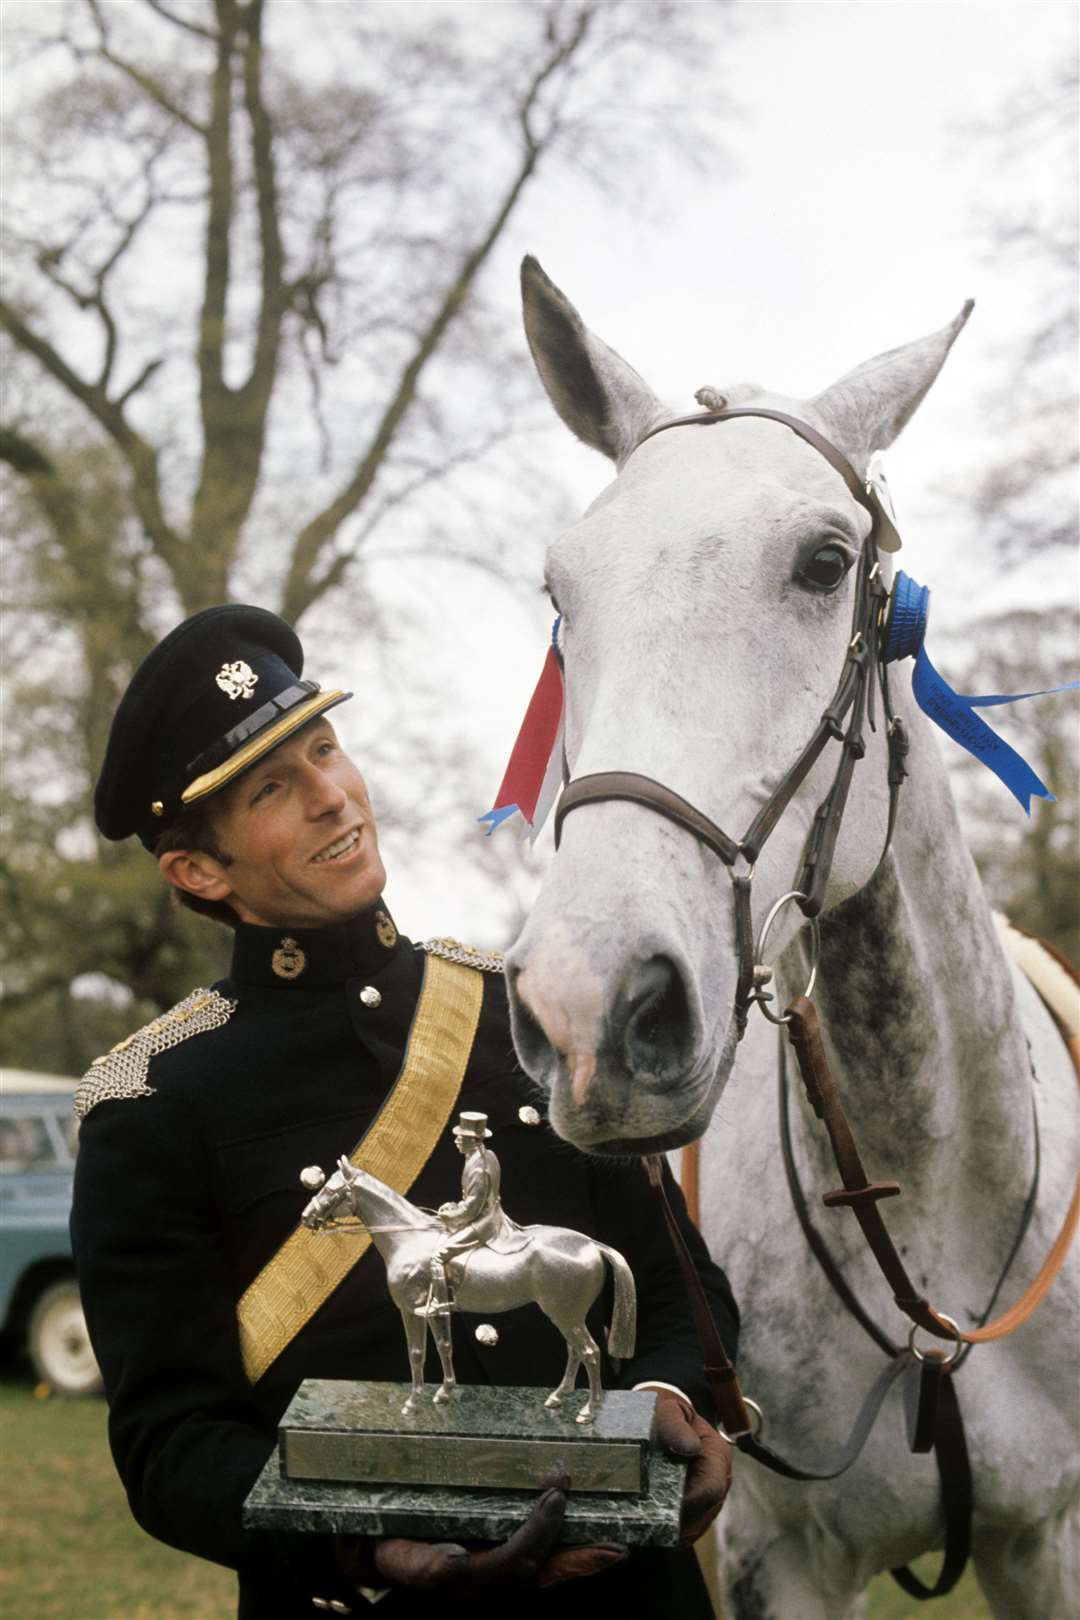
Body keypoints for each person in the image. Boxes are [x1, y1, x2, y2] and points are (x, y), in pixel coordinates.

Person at [71, 604, 740, 1619]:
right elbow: (173, 1445)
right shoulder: (153, 1100)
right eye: (273, 788)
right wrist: (364, 1549)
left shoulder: (529, 1010)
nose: (333, 797)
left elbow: (674, 1289)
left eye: (327, 751)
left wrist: (669, 1407)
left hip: (624, 1592)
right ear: (199, 871)